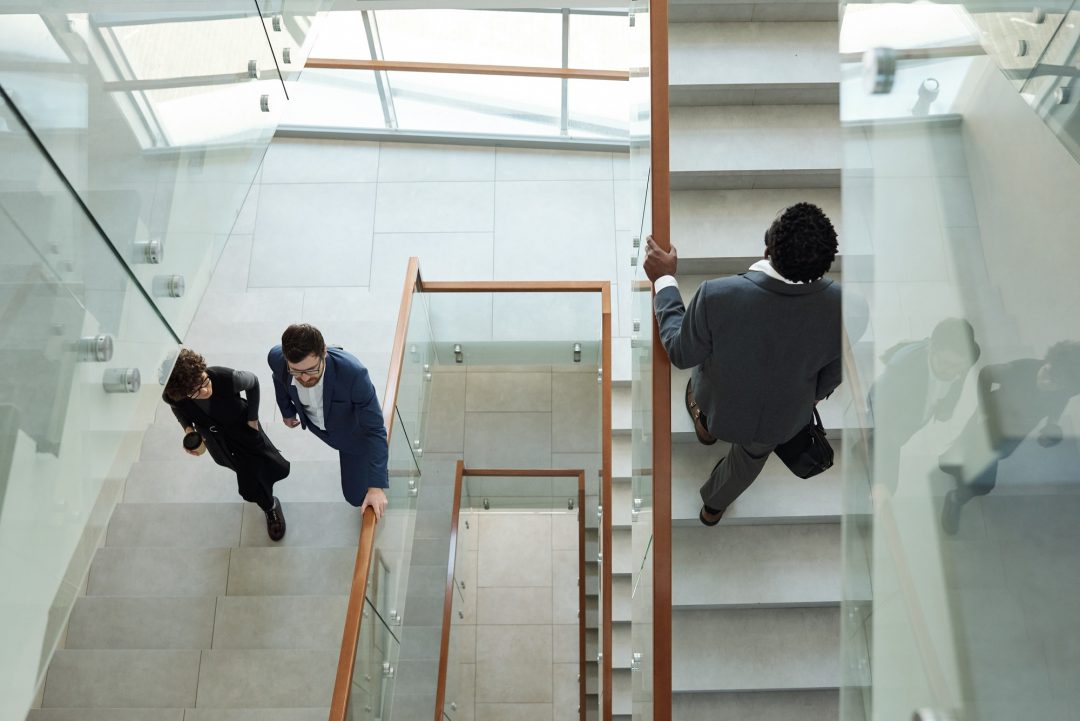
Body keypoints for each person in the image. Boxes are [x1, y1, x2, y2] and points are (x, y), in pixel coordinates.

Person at [643, 202, 842, 526]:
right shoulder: (845, 307)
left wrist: (664, 279)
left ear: (767, 246)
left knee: (699, 385)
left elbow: (681, 353)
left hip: (720, 405)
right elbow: (830, 377)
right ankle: (713, 508)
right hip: (782, 420)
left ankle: (706, 430)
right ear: (824, 263)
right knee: (749, 461)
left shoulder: (717, 296)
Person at [940, 341, 1080, 534]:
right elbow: (986, 373)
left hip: (1015, 433)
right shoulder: (1019, 369)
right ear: (1048, 360)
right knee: (984, 485)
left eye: (1056, 382)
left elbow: (1061, 400)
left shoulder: (1068, 388)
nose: (1047, 382)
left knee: (993, 453)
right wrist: (986, 405)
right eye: (1048, 371)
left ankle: (951, 462)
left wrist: (1052, 423)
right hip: (990, 424)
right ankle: (955, 498)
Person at [163, 349, 290, 541]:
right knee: (236, 465)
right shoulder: (176, 397)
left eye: (203, 381)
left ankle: (269, 506)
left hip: (242, 428)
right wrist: (188, 429)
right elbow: (177, 408)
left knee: (256, 470)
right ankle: (265, 497)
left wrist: (253, 419)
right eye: (194, 392)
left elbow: (253, 382)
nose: (204, 391)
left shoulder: (226, 378)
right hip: (216, 440)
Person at [267, 324, 389, 519]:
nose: (304, 378)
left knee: (356, 497)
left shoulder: (354, 375)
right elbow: (277, 378)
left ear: (323, 352)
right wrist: (287, 411)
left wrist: (376, 486)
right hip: (324, 429)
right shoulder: (277, 359)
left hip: (354, 436)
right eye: (296, 372)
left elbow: (375, 429)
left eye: (311, 369)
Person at [869, 318, 982, 494]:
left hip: (918, 413)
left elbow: (959, 377)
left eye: (959, 366)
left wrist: (947, 406)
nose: (953, 372)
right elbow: (881, 414)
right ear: (932, 349)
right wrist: (884, 482)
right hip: (895, 418)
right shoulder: (901, 370)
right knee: (887, 474)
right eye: (946, 364)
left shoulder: (972, 354)